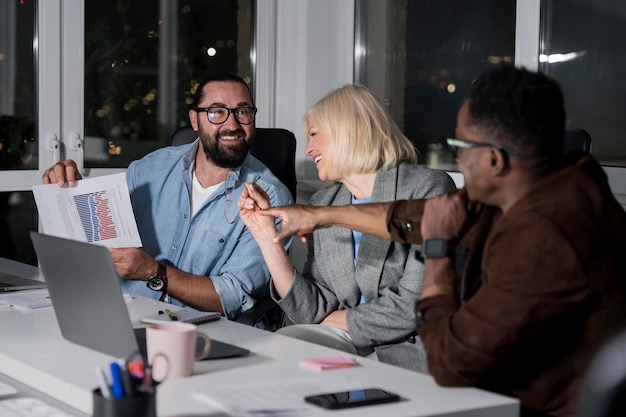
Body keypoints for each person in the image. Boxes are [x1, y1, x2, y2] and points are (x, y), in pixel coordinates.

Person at [251, 65, 626, 416]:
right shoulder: (538, 185)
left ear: (494, 160)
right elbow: (413, 216)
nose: (455, 162)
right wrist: (321, 215)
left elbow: (450, 363)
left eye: (459, 148)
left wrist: (437, 248)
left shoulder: (543, 237)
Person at [42, 73, 293, 325]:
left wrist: (154, 272)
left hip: (204, 331)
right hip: (121, 315)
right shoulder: (151, 168)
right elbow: (100, 231)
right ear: (195, 120)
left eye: (243, 112)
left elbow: (232, 296)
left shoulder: (271, 198)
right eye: (217, 112)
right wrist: (70, 189)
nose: (232, 124)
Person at [239, 84, 456, 372]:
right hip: (344, 340)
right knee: (281, 353)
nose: (308, 149)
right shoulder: (324, 201)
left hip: (412, 346)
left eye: (314, 134)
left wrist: (342, 320)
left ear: (347, 130)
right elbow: (311, 309)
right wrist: (267, 236)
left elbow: (418, 303)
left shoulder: (426, 188)